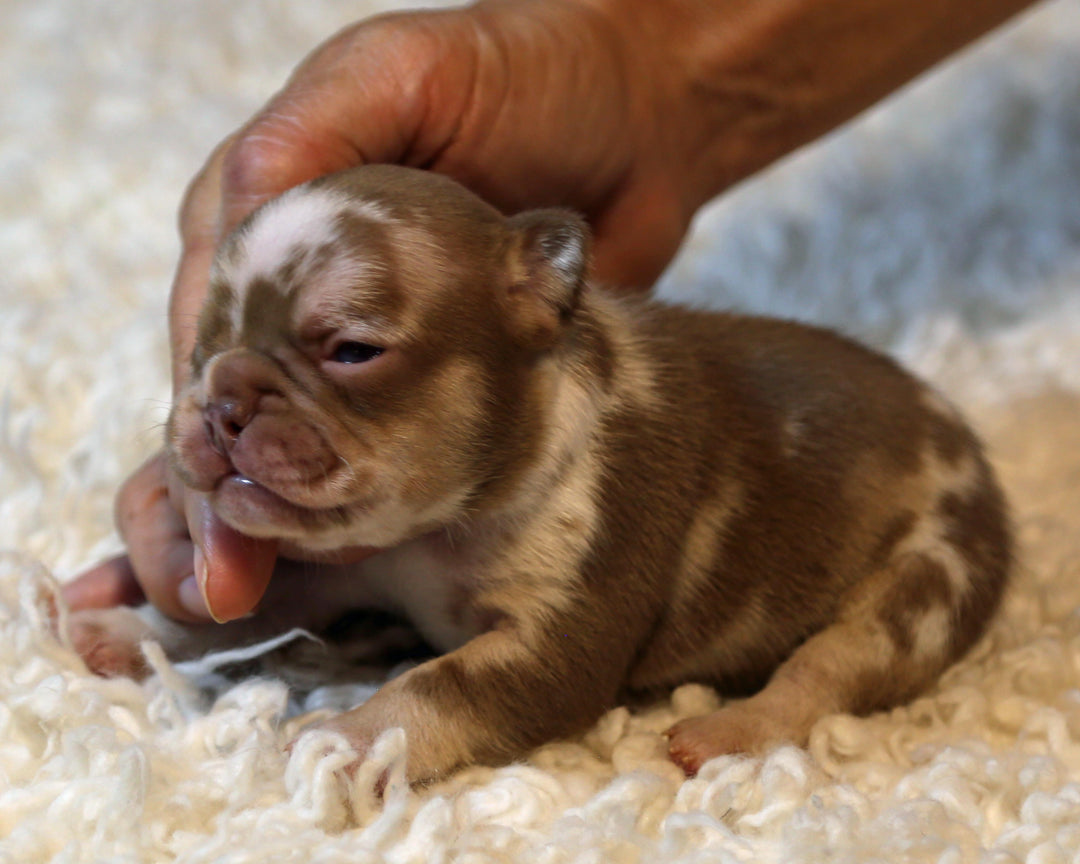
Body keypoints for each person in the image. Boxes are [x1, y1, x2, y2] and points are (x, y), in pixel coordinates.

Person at [63, 0, 1038, 623]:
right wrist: (644, 70)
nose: (229, 401)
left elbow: (546, 653)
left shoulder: (576, 476)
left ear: (538, 291)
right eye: (214, 351)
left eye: (352, 350)